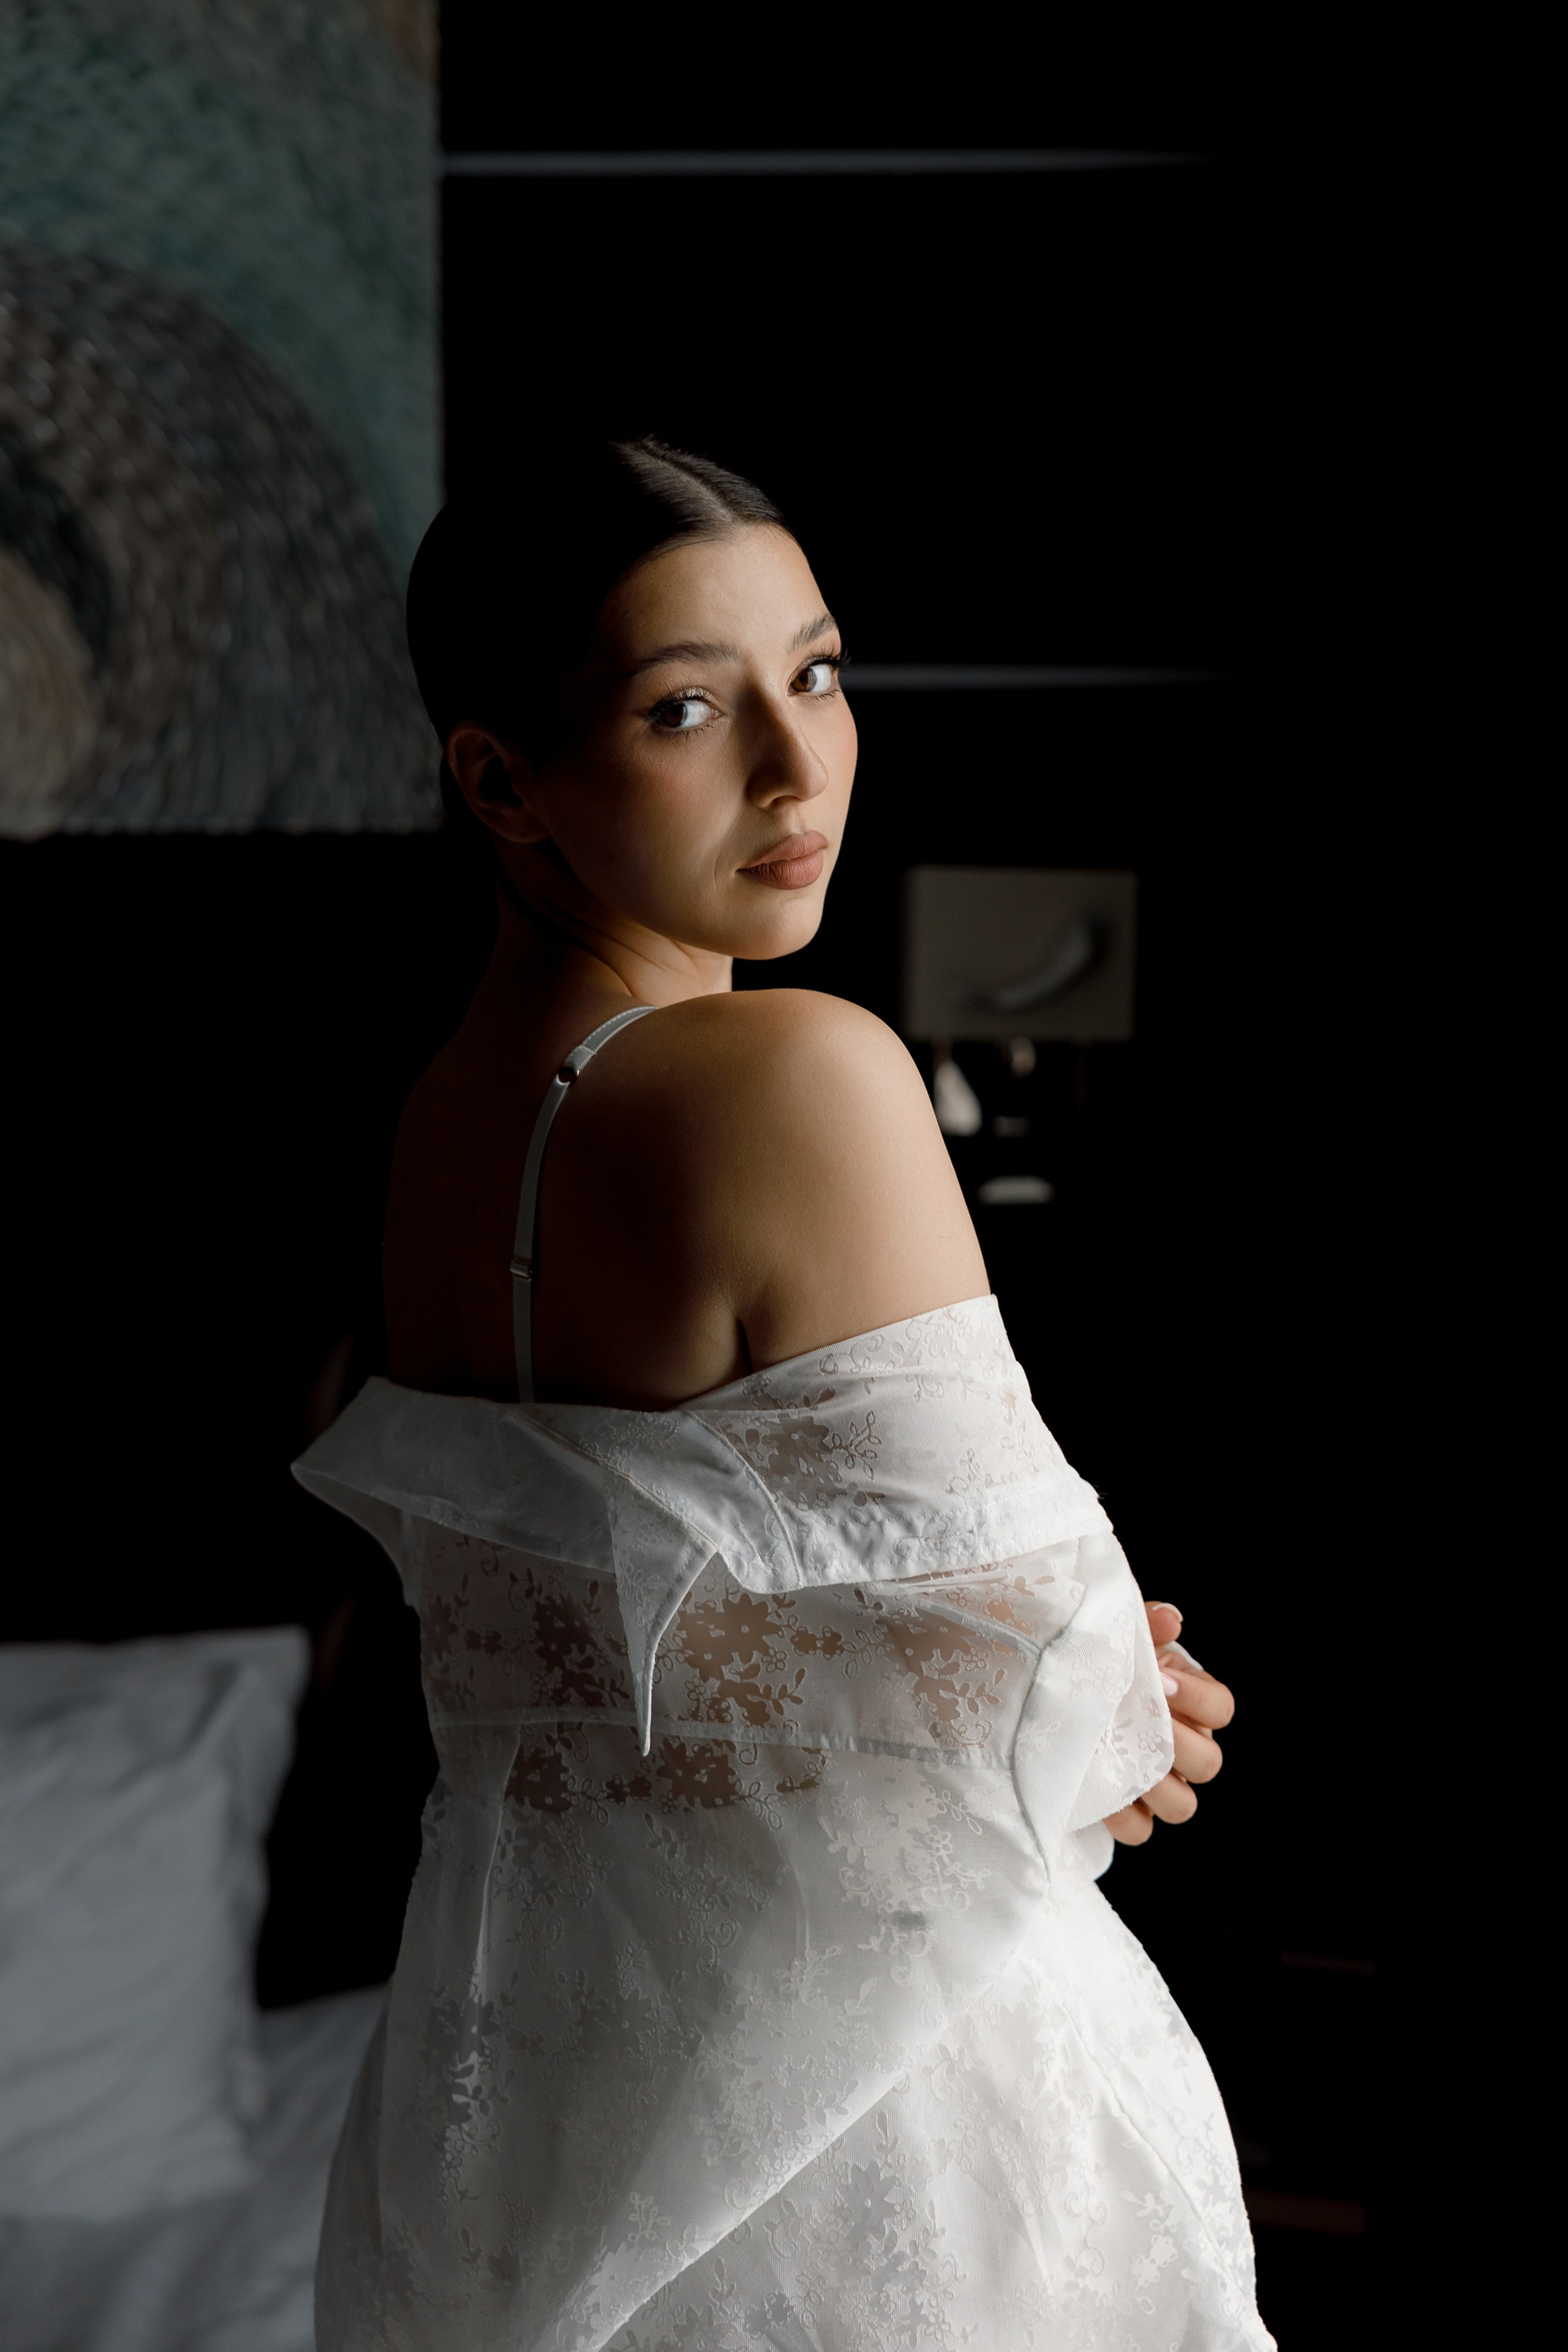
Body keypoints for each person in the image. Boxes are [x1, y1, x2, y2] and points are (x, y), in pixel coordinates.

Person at [296, 439, 1270, 2350]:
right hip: (856, 2113)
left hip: (516, 2103)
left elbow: (636, 1636)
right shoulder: (794, 1080)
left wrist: (1007, 1669)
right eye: (686, 706)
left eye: (815, 673)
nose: (796, 764)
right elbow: (1058, 1696)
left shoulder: (445, 1127)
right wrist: (1101, 1695)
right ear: (499, 779)